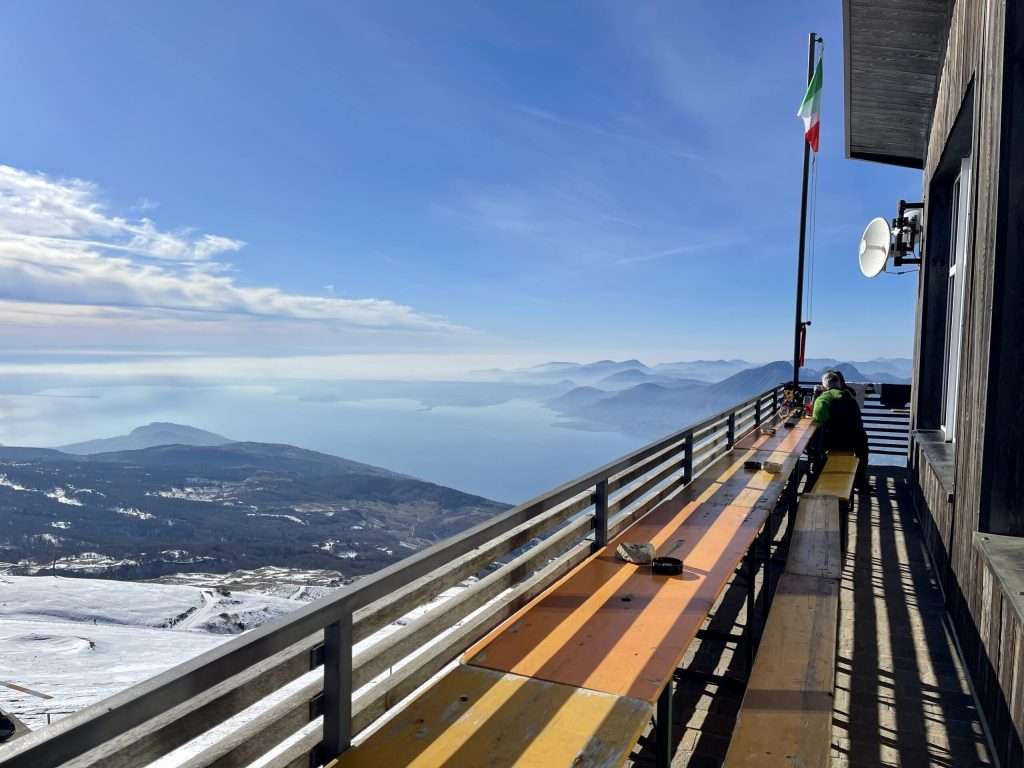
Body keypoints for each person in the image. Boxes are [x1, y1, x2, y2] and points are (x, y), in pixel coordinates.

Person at [813, 370, 869, 490]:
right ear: (839, 383)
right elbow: (858, 421)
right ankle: (860, 481)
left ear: (824, 386)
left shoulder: (823, 398)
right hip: (854, 442)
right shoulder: (850, 397)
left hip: (833, 443)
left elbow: (819, 418)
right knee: (863, 449)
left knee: (817, 441)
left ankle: (817, 475)